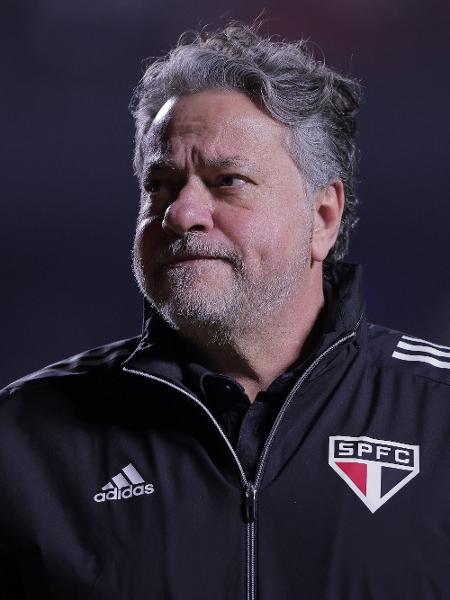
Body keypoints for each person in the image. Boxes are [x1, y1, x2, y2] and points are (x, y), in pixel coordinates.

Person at [0, 22, 448, 600]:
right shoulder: (23, 441)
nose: (181, 213)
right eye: (160, 185)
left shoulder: (436, 420)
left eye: (226, 181)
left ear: (323, 217)